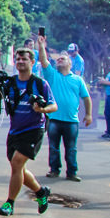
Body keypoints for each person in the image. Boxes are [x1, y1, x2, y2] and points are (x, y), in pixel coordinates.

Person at [0, 47, 57, 216]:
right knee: (19, 169)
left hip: (34, 130)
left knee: (17, 163)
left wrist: (42, 109)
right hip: (15, 131)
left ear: (32, 62)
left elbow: (54, 106)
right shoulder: (9, 83)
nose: (20, 62)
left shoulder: (40, 84)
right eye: (17, 59)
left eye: (24, 59)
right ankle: (40, 192)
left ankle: (9, 204)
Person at [35, 36, 91, 182]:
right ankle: (54, 170)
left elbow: (86, 98)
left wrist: (89, 114)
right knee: (53, 147)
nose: (59, 60)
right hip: (54, 119)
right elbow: (43, 60)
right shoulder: (52, 75)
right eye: (58, 59)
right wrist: (41, 45)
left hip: (72, 121)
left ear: (70, 64)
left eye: (63, 59)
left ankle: (72, 172)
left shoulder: (78, 80)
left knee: (71, 148)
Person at [99, 52, 110, 140]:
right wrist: (103, 81)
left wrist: (104, 82)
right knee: (107, 113)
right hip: (109, 94)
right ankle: (109, 132)